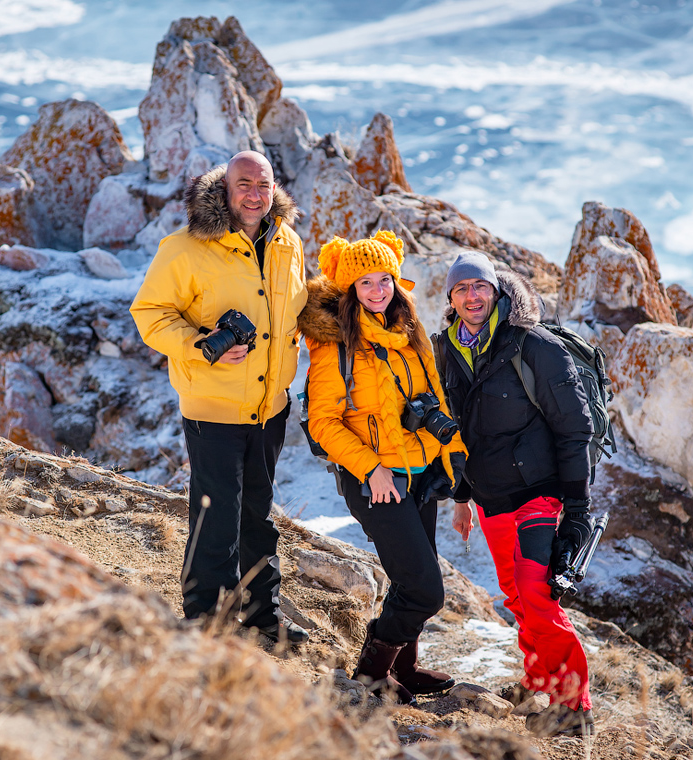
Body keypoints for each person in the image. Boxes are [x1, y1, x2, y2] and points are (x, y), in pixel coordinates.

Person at [130, 150, 309, 644]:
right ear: (224, 190)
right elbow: (149, 314)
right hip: (214, 409)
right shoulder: (185, 247)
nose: (255, 194)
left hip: (271, 408)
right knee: (216, 516)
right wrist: (199, 346)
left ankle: (262, 619)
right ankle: (204, 625)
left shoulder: (288, 244)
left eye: (264, 185)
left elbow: (294, 310)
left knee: (258, 514)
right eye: (244, 184)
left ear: (275, 189)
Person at [299, 231, 467, 703]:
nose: (378, 291)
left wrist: (454, 473)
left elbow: (432, 401)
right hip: (375, 480)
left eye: (385, 280)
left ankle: (405, 668)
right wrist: (372, 469)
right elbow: (324, 423)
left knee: (409, 576)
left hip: (420, 475)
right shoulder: (335, 346)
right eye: (365, 283)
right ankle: (372, 673)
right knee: (424, 590)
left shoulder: (409, 336)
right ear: (350, 289)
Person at [434, 251, 596, 737]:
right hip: (489, 496)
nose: (472, 296)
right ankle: (538, 678)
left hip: (539, 492)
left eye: (480, 286)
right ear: (451, 298)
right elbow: (461, 430)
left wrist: (578, 509)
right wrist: (462, 496)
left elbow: (575, 428)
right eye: (461, 289)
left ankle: (574, 706)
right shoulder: (447, 348)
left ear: (496, 290)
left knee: (537, 593)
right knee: (516, 596)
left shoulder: (535, 345)